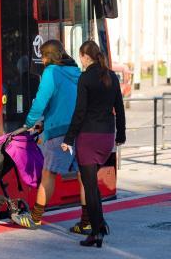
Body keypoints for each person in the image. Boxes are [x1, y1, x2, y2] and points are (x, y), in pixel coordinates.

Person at [61, 41, 126, 248]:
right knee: (92, 184)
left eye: (80, 56)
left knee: (89, 186)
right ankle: (101, 223)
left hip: (88, 137)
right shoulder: (111, 77)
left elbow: (80, 112)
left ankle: (96, 233)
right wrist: (121, 134)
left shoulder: (85, 78)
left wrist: (69, 138)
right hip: (107, 137)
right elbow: (120, 108)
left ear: (84, 56)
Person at [16, 40, 81, 229]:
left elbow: (40, 101)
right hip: (79, 130)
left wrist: (29, 123)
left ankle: (35, 218)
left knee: (48, 174)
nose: (42, 60)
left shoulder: (51, 72)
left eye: (43, 56)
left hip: (59, 131)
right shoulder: (76, 71)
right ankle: (86, 221)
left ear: (48, 56)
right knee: (84, 177)